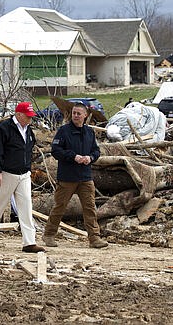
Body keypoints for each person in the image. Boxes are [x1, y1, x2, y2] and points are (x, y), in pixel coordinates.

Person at [42, 103, 108, 249]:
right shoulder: (64, 131)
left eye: (79, 113)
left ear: (85, 116)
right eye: (74, 113)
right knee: (60, 207)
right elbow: (56, 151)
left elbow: (96, 151)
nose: (76, 116)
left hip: (85, 177)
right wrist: (73, 157)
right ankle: (49, 234)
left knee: (90, 208)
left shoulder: (89, 132)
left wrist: (91, 158)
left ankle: (94, 238)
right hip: (67, 178)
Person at [0, 102, 45, 253]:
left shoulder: (28, 131)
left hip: (23, 174)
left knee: (26, 206)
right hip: (6, 173)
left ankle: (29, 242)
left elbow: (28, 149)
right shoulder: (3, 128)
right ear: (18, 114)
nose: (30, 119)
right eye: (28, 116)